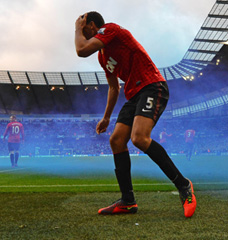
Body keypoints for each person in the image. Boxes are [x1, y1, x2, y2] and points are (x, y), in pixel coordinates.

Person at [75, 11, 196, 218]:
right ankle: (128, 201)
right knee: (116, 140)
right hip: (134, 95)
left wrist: (77, 28)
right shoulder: (103, 56)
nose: (82, 33)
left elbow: (81, 51)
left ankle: (184, 185)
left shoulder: (110, 29)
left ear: (93, 26)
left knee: (139, 138)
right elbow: (114, 88)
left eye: (84, 29)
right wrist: (106, 117)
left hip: (152, 85)